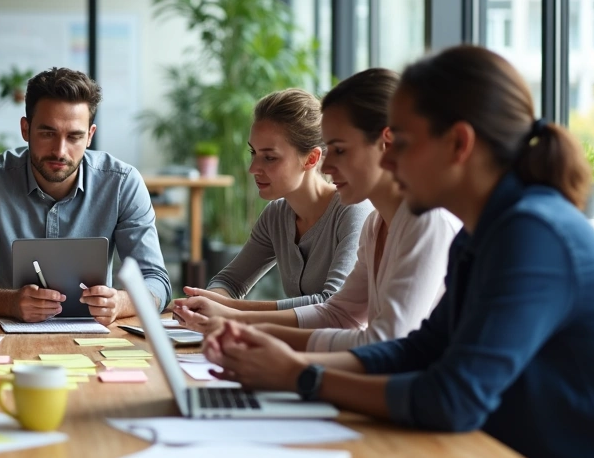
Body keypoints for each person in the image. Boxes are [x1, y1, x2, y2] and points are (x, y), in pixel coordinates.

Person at [203, 45, 594, 458]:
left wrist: (301, 375)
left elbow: (454, 398)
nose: (391, 160)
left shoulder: (533, 233)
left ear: (458, 144)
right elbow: (419, 349)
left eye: (402, 142)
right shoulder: (482, 233)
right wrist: (281, 355)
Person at [174, 69, 459, 351]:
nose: (328, 165)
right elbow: (339, 314)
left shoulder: (424, 222)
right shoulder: (375, 224)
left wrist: (244, 325)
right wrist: (234, 324)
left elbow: (385, 342)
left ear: (386, 143)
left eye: (340, 150)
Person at [0, 67, 171, 325]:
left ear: (90, 136)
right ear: (25, 129)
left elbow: (157, 281)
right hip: (3, 333)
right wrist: (10, 303)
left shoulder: (122, 183)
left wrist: (121, 303)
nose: (59, 151)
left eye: (74, 136)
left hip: (94, 339)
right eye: (47, 133)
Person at [175, 89, 371, 314]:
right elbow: (230, 282)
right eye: (253, 153)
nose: (253, 169)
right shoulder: (276, 215)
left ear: (311, 158)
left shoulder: (353, 209)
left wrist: (231, 309)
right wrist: (205, 304)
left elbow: (332, 303)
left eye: (269, 157)